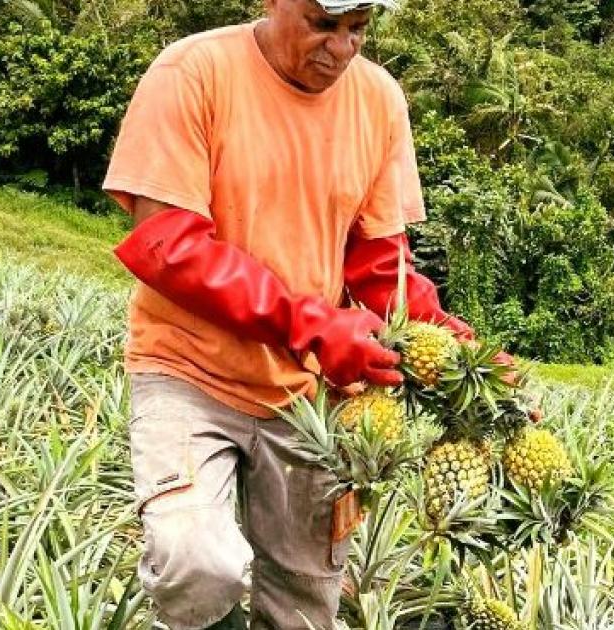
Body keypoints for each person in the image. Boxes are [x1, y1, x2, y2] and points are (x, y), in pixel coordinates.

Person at [100, 0, 512, 627]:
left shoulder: (379, 100)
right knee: (195, 561)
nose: (341, 49)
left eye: (357, 30)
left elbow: (379, 264)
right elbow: (165, 244)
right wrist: (311, 323)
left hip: (307, 391)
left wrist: (458, 349)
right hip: (189, 367)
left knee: (304, 602)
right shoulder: (193, 72)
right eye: (323, 24)